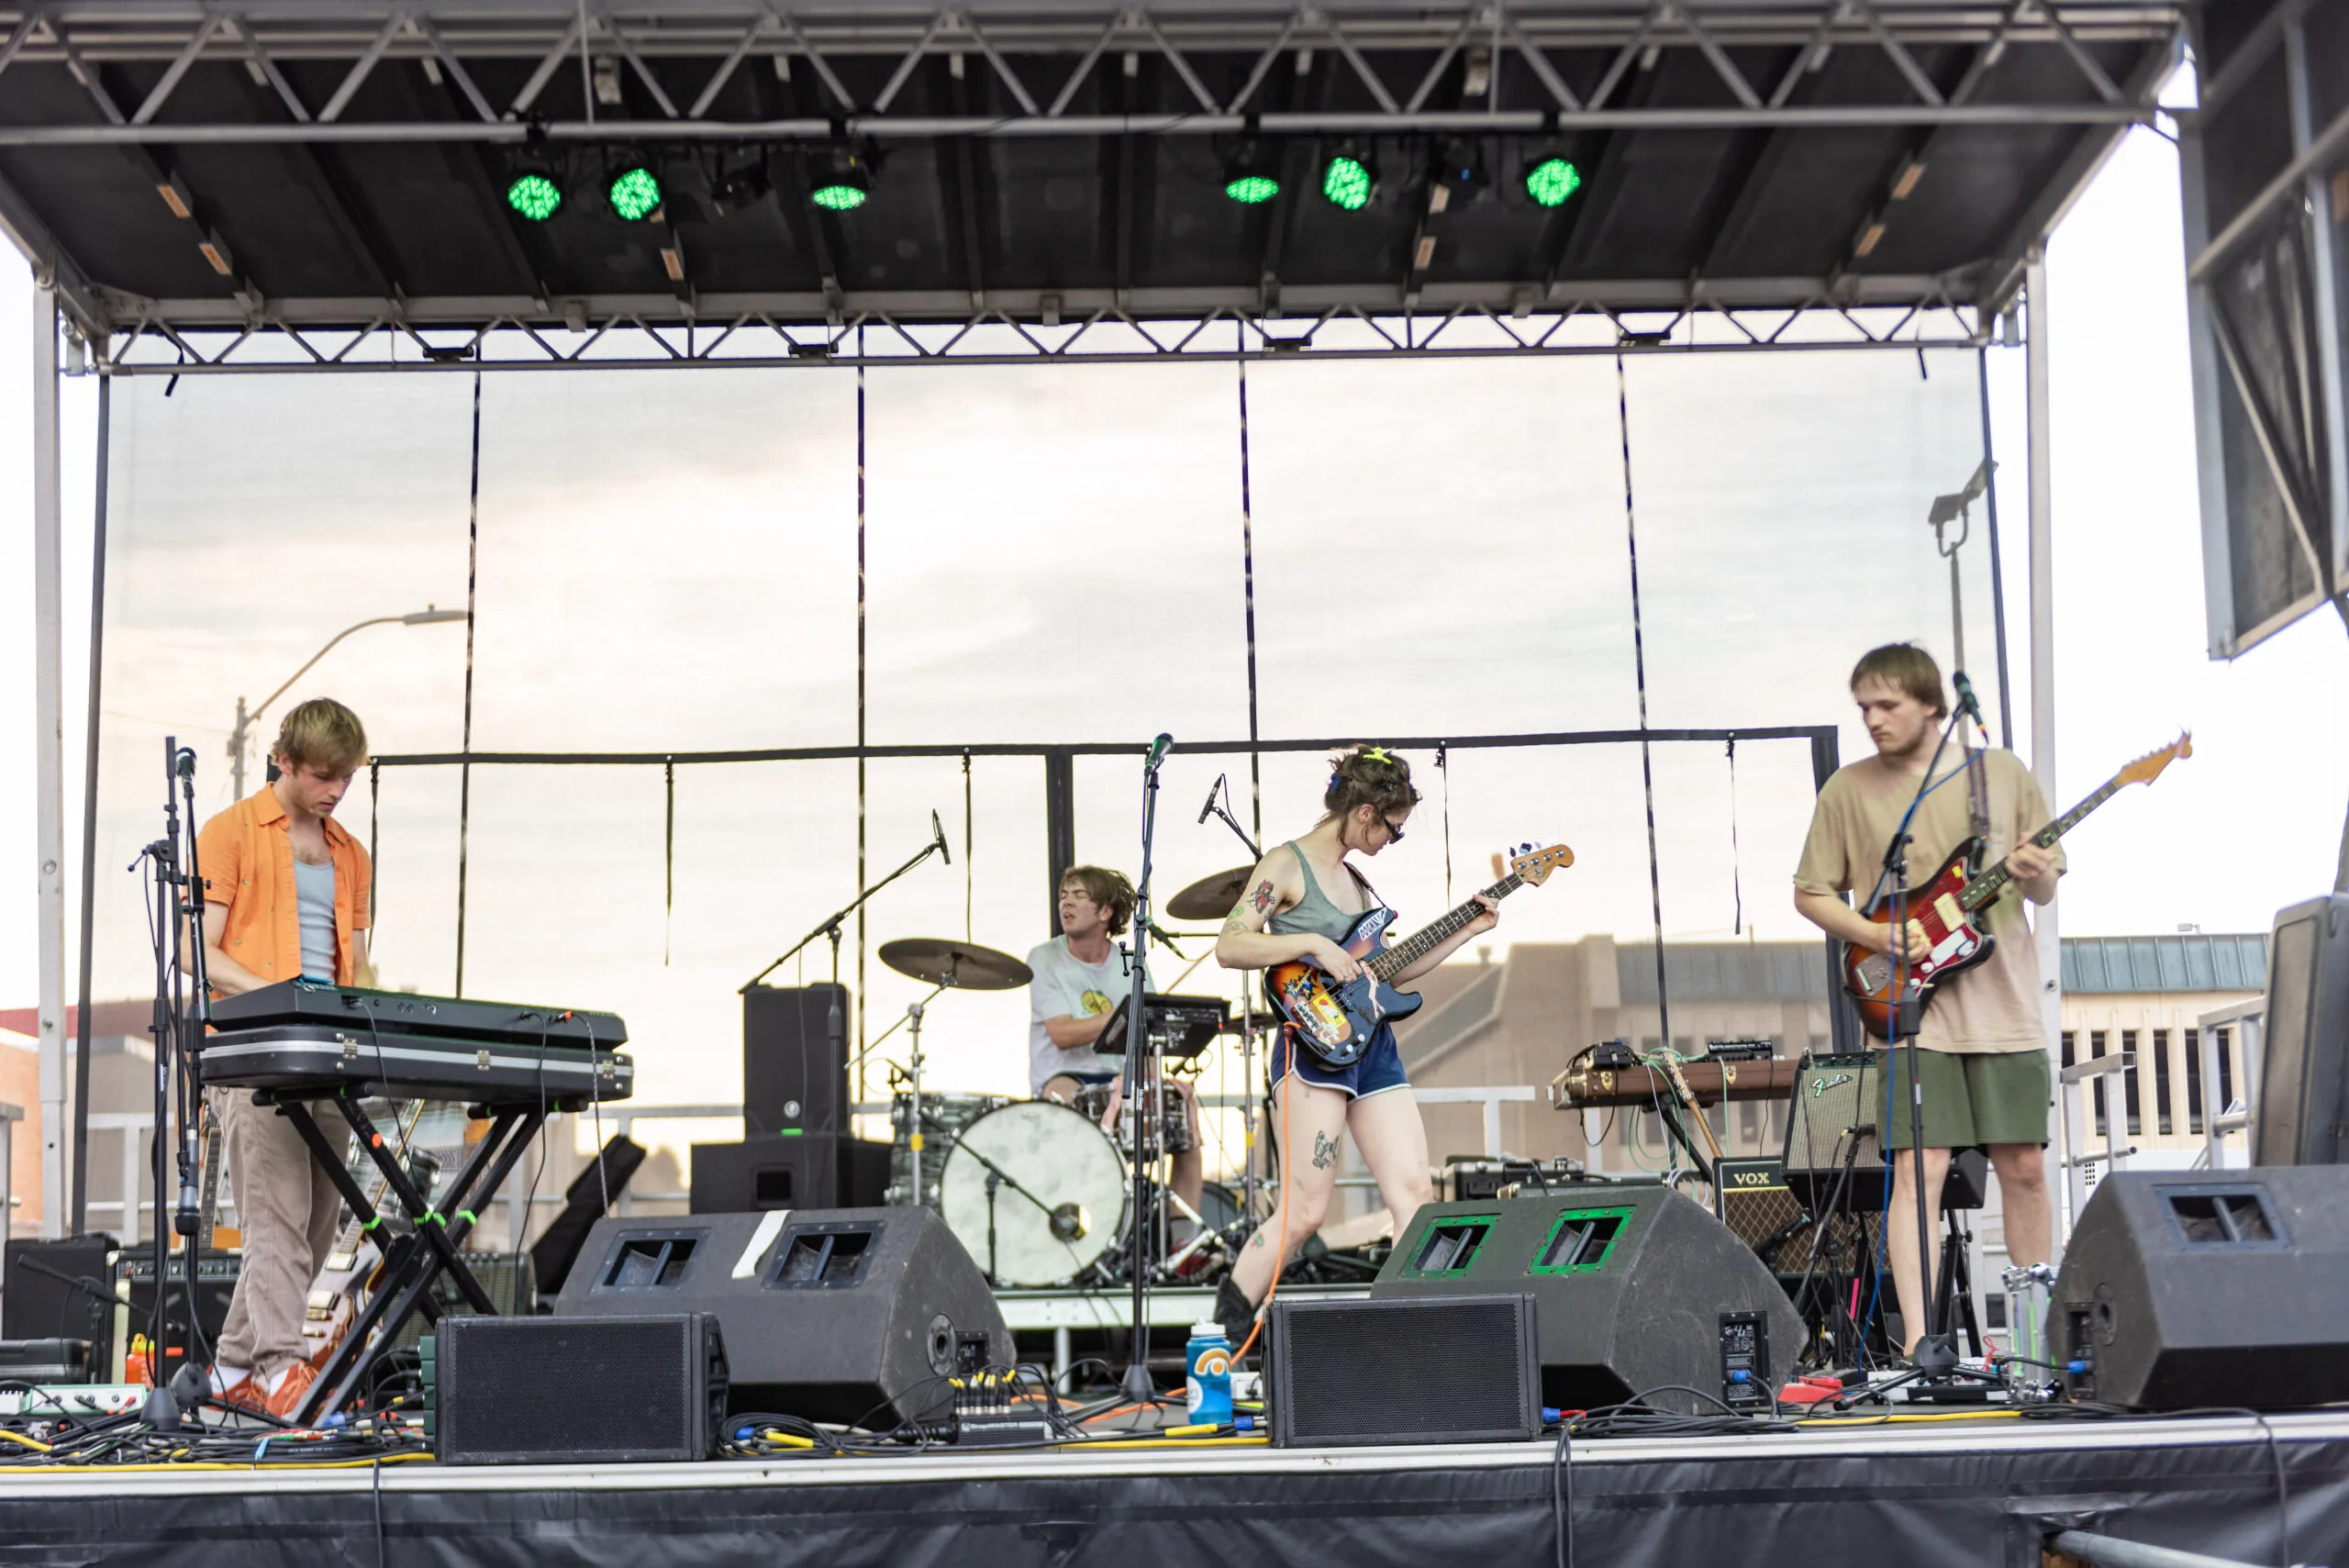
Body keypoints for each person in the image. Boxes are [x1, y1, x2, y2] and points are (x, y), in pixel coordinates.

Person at [1793, 644, 2061, 1360]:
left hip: (2004, 1006)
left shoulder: (2000, 774)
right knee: (1919, 1170)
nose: (1873, 720)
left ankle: (2035, 1340)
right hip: (1911, 1010)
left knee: (2025, 1168)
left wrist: (2036, 869)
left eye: (1888, 705)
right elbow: (1811, 892)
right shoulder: (1849, 790)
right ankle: (1919, 1344)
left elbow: (2043, 886)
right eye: (1864, 708)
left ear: (1933, 705)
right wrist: (1877, 934)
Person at [1211, 746, 1497, 1349]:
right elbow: (1231, 945)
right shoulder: (1286, 864)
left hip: (1373, 1047)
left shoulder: (1359, 881)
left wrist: (1467, 929)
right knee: (1304, 1211)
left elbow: (1388, 970)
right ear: (1365, 812)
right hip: (1313, 1043)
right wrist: (1311, 943)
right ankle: (1225, 1329)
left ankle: (1411, 1340)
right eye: (1393, 827)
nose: (1393, 840)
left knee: (1414, 1195)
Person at [191, 697, 375, 1419]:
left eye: (346, 777)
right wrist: (282, 995)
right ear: (285, 761)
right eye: (324, 775)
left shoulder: (350, 853)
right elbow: (199, 954)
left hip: (327, 1055)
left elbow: (355, 959)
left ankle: (233, 1369)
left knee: (316, 1224)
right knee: (277, 1217)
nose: (336, 790)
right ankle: (278, 1366)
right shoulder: (230, 832)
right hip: (255, 1054)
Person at [1025, 865, 1205, 1228]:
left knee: (1181, 1106)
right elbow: (1062, 1033)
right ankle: (1073, 1227)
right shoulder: (1044, 957)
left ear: (1105, 911)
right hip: (1066, 1077)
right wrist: (1122, 1016)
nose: (1066, 903)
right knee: (1064, 1098)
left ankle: (1182, 1238)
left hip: (1121, 1078)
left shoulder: (1129, 961)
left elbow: (1147, 1032)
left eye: (1078, 896)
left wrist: (1148, 1083)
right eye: (1063, 896)